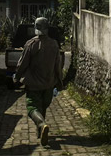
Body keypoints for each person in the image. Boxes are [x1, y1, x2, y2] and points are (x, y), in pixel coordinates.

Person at [14, 17, 64, 146]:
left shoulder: (31, 44)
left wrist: (17, 77)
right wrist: (59, 81)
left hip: (33, 85)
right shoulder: (54, 44)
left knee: (32, 108)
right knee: (42, 107)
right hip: (48, 83)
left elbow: (22, 64)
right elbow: (58, 65)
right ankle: (40, 131)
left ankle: (41, 124)